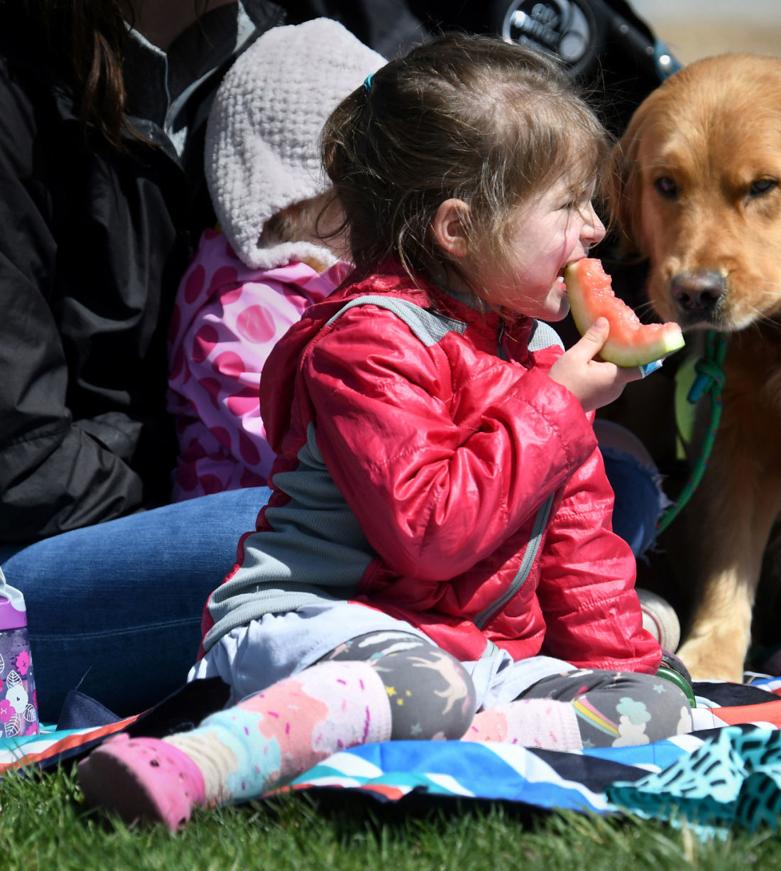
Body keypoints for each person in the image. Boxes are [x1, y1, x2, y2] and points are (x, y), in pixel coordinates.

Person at [76, 34, 692, 832]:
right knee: (423, 684)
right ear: (458, 228)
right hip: (319, 621)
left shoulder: (539, 353)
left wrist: (627, 669)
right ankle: (203, 759)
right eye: (568, 205)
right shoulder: (368, 342)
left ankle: (442, 744)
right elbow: (430, 532)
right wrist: (557, 409)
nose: (596, 231)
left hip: (465, 655)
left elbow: (578, 552)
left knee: (655, 704)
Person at [0, 0, 291, 720]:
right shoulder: (17, 85)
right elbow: (21, 458)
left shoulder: (277, 64)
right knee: (294, 528)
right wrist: (191, 490)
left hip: (178, 501)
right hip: (38, 547)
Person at [167, 19, 383, 500]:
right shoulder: (234, 317)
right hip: (241, 540)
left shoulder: (347, 287)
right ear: (295, 197)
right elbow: (290, 454)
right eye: (371, 197)